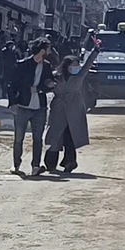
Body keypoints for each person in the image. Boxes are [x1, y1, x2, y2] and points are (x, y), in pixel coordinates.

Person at [44, 44, 101, 174]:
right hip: (58, 109)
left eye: (77, 65)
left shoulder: (79, 76)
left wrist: (96, 50)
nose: (76, 67)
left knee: (70, 136)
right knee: (55, 136)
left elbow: (88, 63)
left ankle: (70, 162)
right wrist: (48, 84)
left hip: (74, 110)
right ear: (66, 66)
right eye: (73, 65)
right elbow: (46, 82)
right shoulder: (56, 76)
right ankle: (50, 163)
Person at [9, 39, 55, 176]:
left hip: (39, 107)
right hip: (22, 106)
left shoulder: (47, 66)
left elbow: (50, 83)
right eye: (48, 49)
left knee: (38, 139)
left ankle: (35, 166)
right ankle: (16, 165)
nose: (50, 51)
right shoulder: (23, 64)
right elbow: (12, 84)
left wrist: (42, 88)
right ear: (42, 50)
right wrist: (12, 103)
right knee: (18, 138)